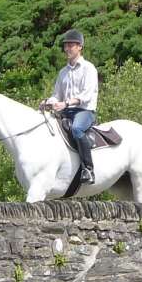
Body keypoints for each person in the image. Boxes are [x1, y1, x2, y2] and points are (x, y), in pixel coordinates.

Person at [41, 28, 98, 183]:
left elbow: (86, 95)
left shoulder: (89, 69)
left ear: (79, 46)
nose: (67, 48)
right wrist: (48, 102)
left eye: (70, 45)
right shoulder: (63, 73)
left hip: (85, 111)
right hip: (66, 111)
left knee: (77, 129)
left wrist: (66, 103)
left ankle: (88, 169)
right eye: (65, 46)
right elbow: (56, 95)